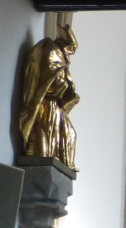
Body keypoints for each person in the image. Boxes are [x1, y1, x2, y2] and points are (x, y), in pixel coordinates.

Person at [19, 25, 80, 170]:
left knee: (71, 133)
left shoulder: (62, 61)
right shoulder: (52, 53)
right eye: (71, 48)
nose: (71, 52)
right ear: (64, 44)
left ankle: (62, 161)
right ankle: (50, 156)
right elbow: (50, 82)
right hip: (47, 105)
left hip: (57, 106)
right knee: (50, 131)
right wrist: (64, 84)